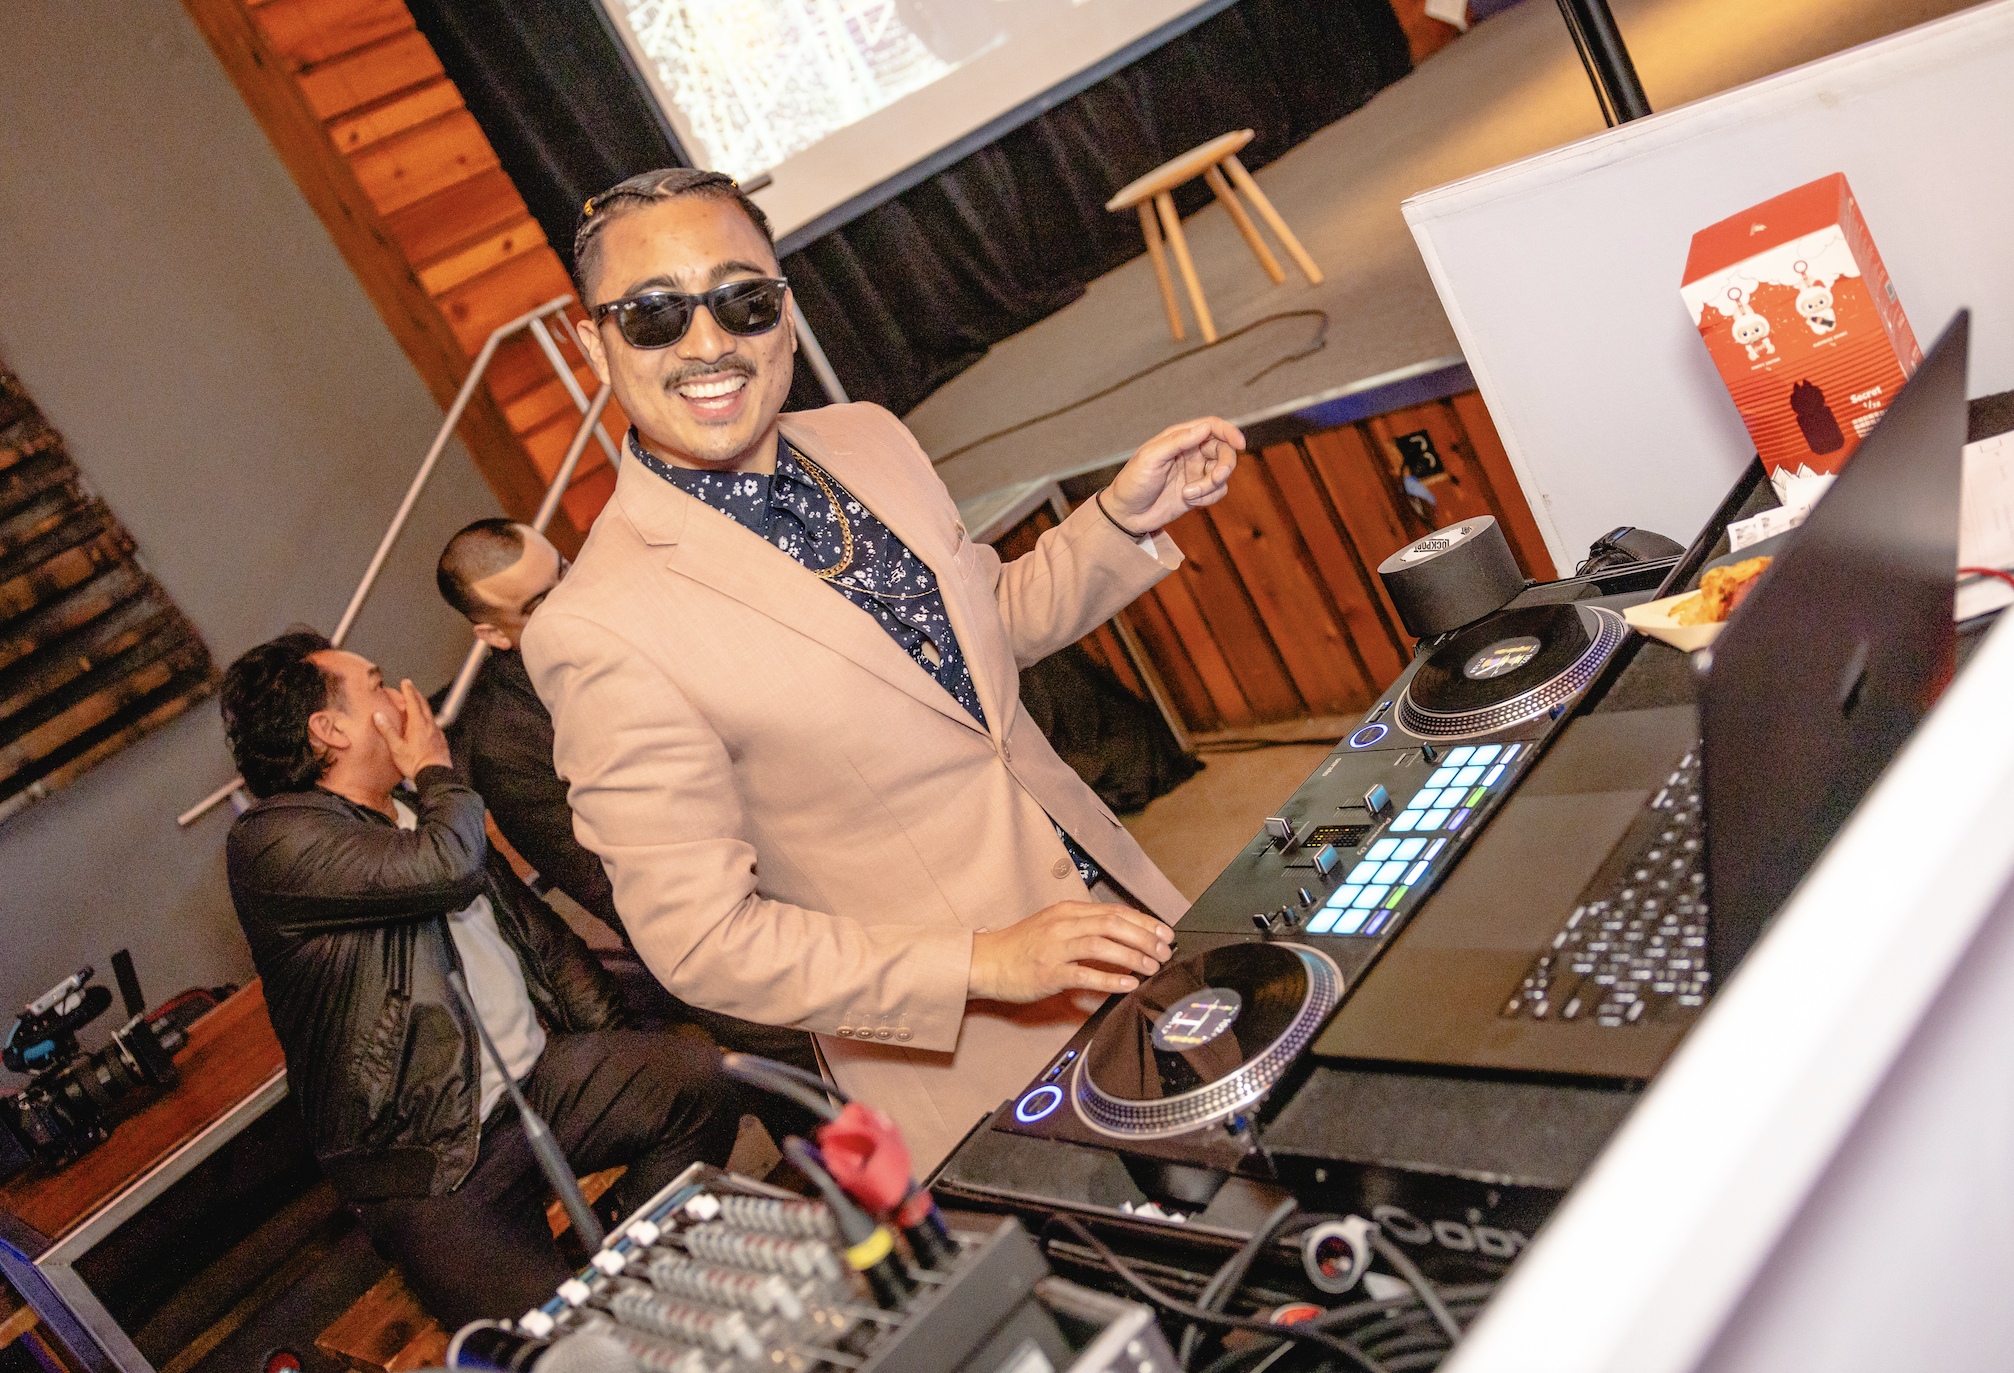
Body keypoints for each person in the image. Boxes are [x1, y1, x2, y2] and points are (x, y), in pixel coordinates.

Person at [521, 167, 1245, 1168]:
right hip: (983, 1061)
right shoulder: (598, 626)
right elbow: (700, 942)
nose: (706, 345)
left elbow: (977, 638)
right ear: (587, 338)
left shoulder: (865, 436)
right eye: (652, 316)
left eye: (742, 301)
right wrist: (983, 962)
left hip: (1129, 926)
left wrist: (1119, 519)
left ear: (782, 306)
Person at [220, 630, 748, 1326]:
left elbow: (535, 937)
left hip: (538, 1084)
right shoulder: (273, 841)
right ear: (330, 728)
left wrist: (613, 1043)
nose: (397, 692)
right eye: (375, 683)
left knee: (696, 1080)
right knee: (547, 1347)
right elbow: (446, 868)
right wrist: (438, 770)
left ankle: (639, 1280)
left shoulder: (421, 812)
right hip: (430, 1157)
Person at [436, 519, 820, 1083]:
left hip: (803, 858)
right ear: (494, 635)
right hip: (710, 934)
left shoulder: (639, 615)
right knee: (821, 1099)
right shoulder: (505, 742)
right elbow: (614, 888)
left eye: (567, 571)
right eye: (542, 602)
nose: (575, 598)